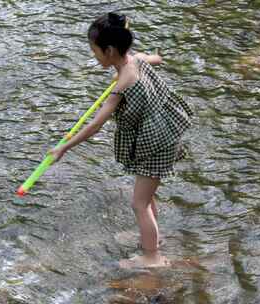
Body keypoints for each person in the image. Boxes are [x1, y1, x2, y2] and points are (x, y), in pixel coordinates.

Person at [49, 12, 193, 268]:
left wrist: (64, 147)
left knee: (139, 204)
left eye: (95, 51)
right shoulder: (135, 59)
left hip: (156, 143)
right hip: (164, 131)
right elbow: (153, 59)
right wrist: (157, 57)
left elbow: (96, 124)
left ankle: (152, 258)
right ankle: (151, 239)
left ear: (110, 50)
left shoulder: (124, 81)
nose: (93, 56)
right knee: (146, 198)